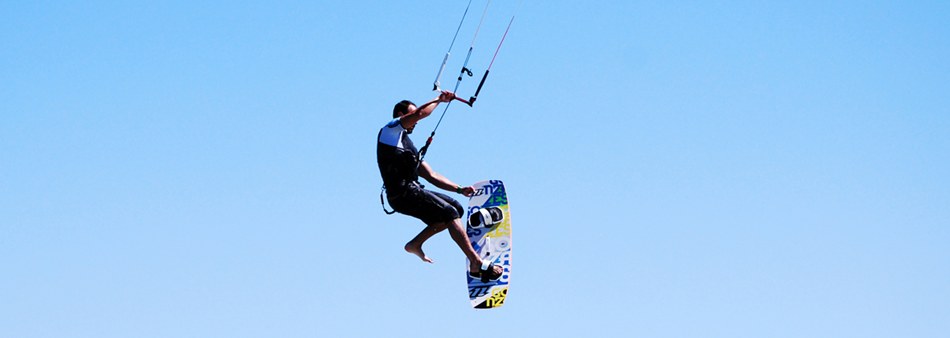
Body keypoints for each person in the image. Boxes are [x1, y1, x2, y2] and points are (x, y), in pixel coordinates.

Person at [377, 90, 503, 280]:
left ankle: (415, 244)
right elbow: (420, 113)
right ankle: (476, 263)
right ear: (402, 115)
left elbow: (431, 175)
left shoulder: (406, 145)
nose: (417, 122)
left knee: (456, 209)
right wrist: (439, 99)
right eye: (411, 115)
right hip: (402, 194)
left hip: (411, 192)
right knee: (449, 213)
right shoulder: (389, 131)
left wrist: (459, 189)